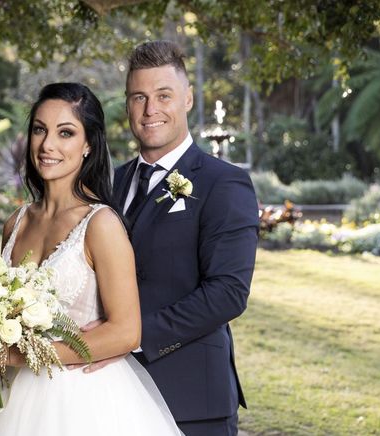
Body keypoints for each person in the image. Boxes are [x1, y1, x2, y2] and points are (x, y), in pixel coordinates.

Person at [0, 82, 182, 436]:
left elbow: (126, 331)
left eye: (66, 133)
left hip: (80, 402)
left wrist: (24, 355)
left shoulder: (101, 225)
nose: (48, 145)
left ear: (88, 143)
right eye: (39, 130)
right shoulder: (16, 223)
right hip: (10, 399)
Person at [78, 40, 259, 436]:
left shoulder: (225, 182)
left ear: (188, 99)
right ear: (126, 105)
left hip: (191, 398)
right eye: (138, 97)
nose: (150, 110)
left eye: (163, 95)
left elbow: (228, 291)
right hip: (109, 394)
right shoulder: (110, 182)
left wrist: (130, 335)